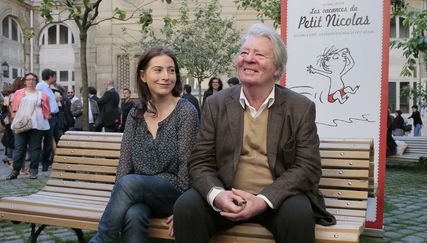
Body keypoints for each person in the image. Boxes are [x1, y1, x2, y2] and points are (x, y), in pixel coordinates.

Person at [173, 24, 336, 243]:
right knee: (186, 206)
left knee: (298, 214)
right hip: (228, 196)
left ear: (277, 69)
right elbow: (199, 161)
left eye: (259, 54)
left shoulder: (299, 107)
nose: (249, 59)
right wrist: (218, 195)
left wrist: (263, 200)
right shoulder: (216, 104)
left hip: (277, 201)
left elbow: (308, 166)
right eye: (244, 53)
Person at [89, 47, 199, 243]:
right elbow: (125, 162)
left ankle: (103, 239)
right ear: (143, 75)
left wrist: (183, 208)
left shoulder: (185, 111)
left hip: (175, 193)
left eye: (171, 70)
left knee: (130, 183)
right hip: (138, 193)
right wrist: (120, 198)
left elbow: (187, 167)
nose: (166, 76)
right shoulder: (135, 114)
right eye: (158, 70)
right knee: (133, 214)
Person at [6, 73, 50, 180]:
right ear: (24, 81)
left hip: (37, 125)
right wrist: (14, 118)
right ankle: (15, 171)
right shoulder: (18, 93)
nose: (31, 81)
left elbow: (47, 109)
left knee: (35, 148)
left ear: (36, 81)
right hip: (21, 124)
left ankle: (33, 171)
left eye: (33, 79)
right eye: (28, 79)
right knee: (19, 148)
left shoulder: (42, 95)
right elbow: (13, 108)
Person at [36, 68, 60, 171]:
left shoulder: (49, 88)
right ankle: (45, 164)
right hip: (48, 117)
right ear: (50, 77)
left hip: (55, 116)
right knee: (48, 141)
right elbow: (38, 101)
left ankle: (54, 161)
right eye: (54, 76)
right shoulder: (40, 86)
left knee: (59, 138)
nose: (55, 78)